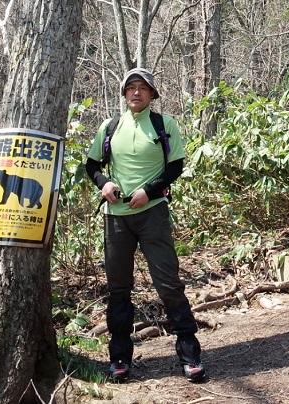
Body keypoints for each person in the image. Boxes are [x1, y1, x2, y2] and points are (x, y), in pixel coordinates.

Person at [85, 68, 205, 383]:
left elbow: (175, 166)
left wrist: (149, 191)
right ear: (124, 93)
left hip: (153, 213)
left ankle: (189, 353)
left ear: (152, 94)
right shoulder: (110, 127)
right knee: (118, 288)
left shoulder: (164, 125)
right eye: (131, 88)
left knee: (168, 283)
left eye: (142, 88)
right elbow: (92, 164)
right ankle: (119, 357)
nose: (136, 93)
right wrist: (104, 183)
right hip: (116, 217)